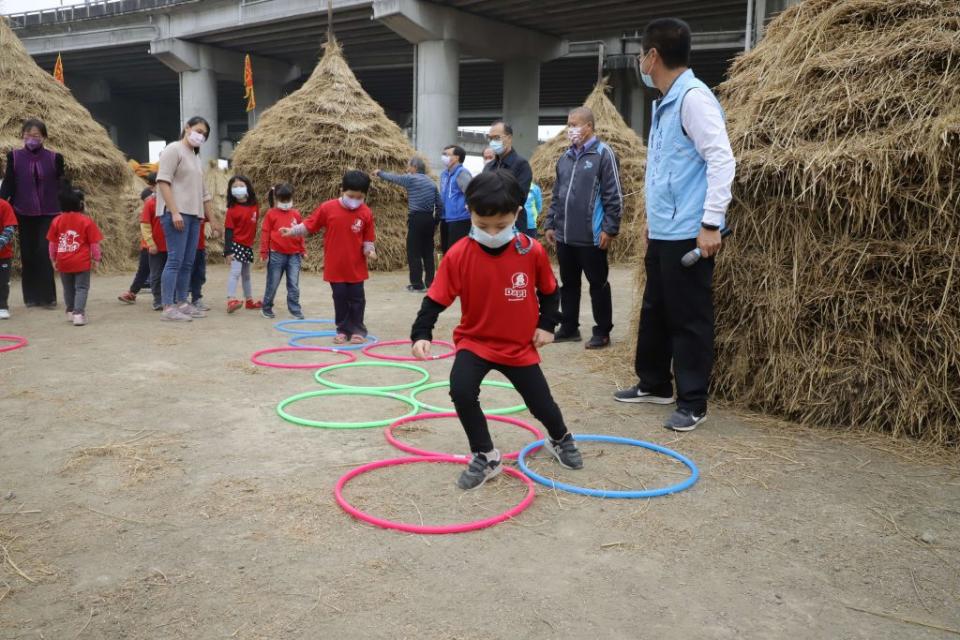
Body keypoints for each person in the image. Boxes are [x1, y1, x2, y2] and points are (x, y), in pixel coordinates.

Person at [410, 170, 583, 490]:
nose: (491, 232)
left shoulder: (531, 251)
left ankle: (560, 437)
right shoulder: (459, 253)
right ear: (469, 212)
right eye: (482, 224)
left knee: (541, 403)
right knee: (461, 390)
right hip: (475, 341)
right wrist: (421, 333)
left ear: (518, 214)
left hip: (518, 346)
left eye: (501, 226)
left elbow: (549, 290)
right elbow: (436, 297)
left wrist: (547, 325)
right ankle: (485, 455)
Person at [613, 18, 735, 433]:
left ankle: (693, 402)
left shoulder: (694, 99)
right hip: (664, 229)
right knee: (656, 310)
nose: (638, 63)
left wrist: (711, 224)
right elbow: (664, 169)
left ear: (652, 57)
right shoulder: (664, 102)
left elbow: (721, 160)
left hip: (689, 231)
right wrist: (650, 220)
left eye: (640, 54)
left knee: (688, 317)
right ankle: (654, 383)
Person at [543, 106, 623, 350]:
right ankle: (569, 327)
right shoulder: (565, 157)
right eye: (568, 125)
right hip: (565, 235)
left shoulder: (603, 154)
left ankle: (602, 331)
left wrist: (609, 228)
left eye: (575, 124)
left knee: (598, 284)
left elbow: (614, 195)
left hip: (592, 235)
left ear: (589, 126)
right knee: (569, 284)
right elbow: (557, 194)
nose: (571, 130)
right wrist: (550, 222)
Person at [281, 171, 376, 344]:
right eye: (351, 195)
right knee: (339, 297)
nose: (355, 199)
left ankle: (358, 329)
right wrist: (292, 231)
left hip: (356, 266)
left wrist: (369, 250)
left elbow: (368, 237)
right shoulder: (328, 208)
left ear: (364, 195)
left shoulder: (366, 212)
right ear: (342, 191)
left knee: (357, 299)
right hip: (335, 266)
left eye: (359, 196)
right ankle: (342, 329)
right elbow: (310, 224)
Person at [0, 118, 65, 308]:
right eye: (28, 136)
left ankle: (48, 297)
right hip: (23, 211)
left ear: (44, 137)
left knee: (44, 251)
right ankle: (31, 297)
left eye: (36, 136)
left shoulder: (55, 158)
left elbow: (61, 184)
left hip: (49, 212)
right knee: (28, 253)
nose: (31, 139)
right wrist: (2, 203)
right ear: (22, 137)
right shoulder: (14, 157)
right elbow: (9, 183)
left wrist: (70, 204)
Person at [155, 116, 214, 322]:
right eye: (198, 130)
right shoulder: (173, 149)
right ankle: (168, 306)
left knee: (188, 262)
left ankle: (182, 301)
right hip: (176, 213)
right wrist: (174, 211)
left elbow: (204, 192)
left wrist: (212, 219)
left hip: (194, 214)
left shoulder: (195, 157)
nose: (201, 136)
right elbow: (163, 181)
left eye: (204, 134)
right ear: (187, 128)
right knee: (175, 260)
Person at [375, 158, 440, 292]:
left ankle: (417, 284)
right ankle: (430, 283)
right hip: (429, 219)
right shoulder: (432, 183)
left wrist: (379, 173)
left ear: (415, 167)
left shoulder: (411, 179)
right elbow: (440, 205)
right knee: (428, 252)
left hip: (416, 218)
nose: (407, 169)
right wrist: (435, 221)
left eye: (409, 166)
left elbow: (394, 178)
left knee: (413, 252)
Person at [46, 182, 103, 326]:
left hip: (63, 261)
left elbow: (52, 243)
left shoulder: (56, 221)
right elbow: (94, 243)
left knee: (68, 288)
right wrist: (97, 258)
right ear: (80, 205)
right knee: (82, 288)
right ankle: (79, 313)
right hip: (81, 262)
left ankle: (70, 312)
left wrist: (53, 259)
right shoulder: (86, 221)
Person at [259, 183, 305, 320]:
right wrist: (264, 252)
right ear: (276, 199)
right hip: (276, 254)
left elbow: (300, 232)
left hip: (294, 255)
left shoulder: (296, 214)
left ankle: (295, 309)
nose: (285, 203)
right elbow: (265, 233)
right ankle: (266, 308)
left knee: (294, 284)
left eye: (288, 200)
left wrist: (302, 250)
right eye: (282, 200)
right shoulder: (271, 214)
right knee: (272, 283)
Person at [483, 121, 532, 235]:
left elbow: (519, 198)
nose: (492, 142)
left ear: (509, 138)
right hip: (489, 224)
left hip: (512, 224)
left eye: (497, 138)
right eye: (490, 138)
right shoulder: (489, 167)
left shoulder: (521, 164)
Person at [117, 174, 159, 304]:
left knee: (158, 272)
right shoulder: (149, 203)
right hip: (148, 245)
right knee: (144, 270)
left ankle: (164, 297)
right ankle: (132, 293)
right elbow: (145, 227)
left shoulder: (159, 203)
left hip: (159, 245)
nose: (147, 201)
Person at [223, 175, 262, 313]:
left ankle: (249, 300)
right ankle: (231, 299)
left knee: (246, 275)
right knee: (235, 273)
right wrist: (227, 251)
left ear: (247, 187)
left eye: (241, 185)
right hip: (236, 245)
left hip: (247, 246)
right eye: (234, 187)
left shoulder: (255, 206)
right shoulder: (232, 210)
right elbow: (228, 231)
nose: (238, 189)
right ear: (230, 191)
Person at [439, 145, 472, 252]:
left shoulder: (462, 173)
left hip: (459, 219)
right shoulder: (444, 174)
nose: (444, 157)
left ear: (457, 158)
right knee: (446, 251)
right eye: (443, 154)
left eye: (447, 154)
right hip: (445, 218)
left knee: (456, 252)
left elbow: (471, 193)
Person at [0, 198, 17, 319]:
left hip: (3, 254)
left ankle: (2, 306)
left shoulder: (4, 206)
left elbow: (10, 228)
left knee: (2, 282)